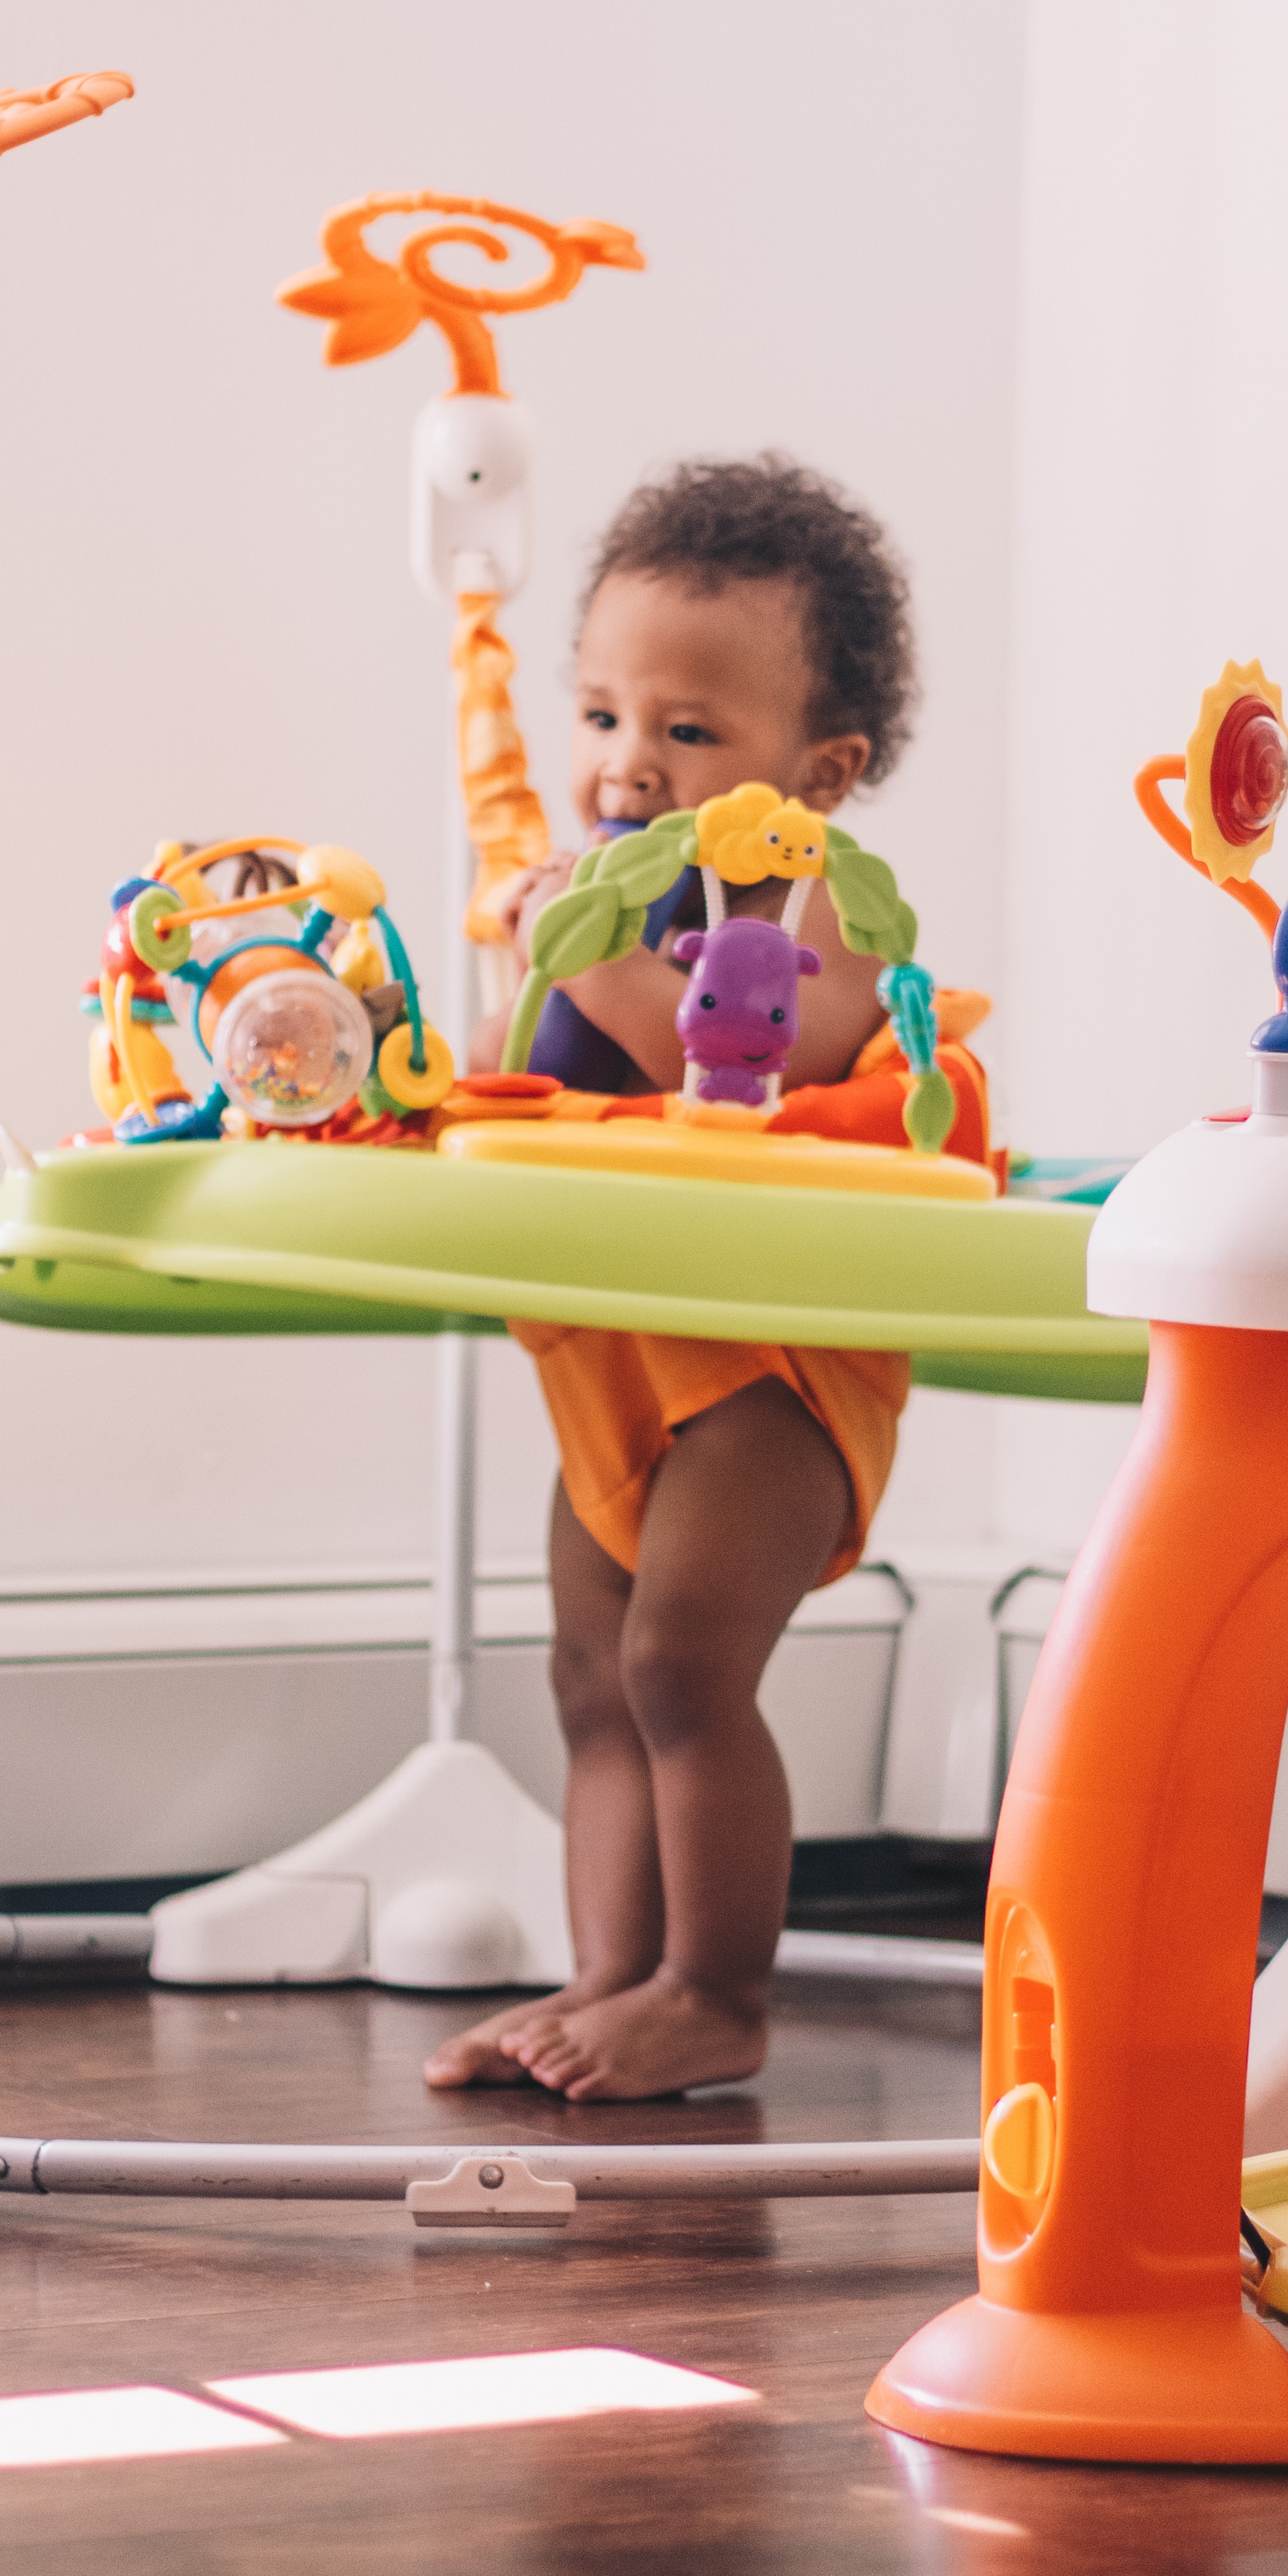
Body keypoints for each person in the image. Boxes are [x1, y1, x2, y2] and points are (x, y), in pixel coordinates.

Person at [425, 456, 921, 2103]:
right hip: (617, 1368)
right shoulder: (596, 900)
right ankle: (603, 1986)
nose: (625, 765)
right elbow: (509, 1086)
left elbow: (743, 1073)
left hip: (770, 1376)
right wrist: (518, 968)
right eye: (599, 716)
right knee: (589, 1682)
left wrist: (598, 944)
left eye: (688, 733)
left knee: (682, 1670)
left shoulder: (831, 924)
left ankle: (716, 1991)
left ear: (820, 770)